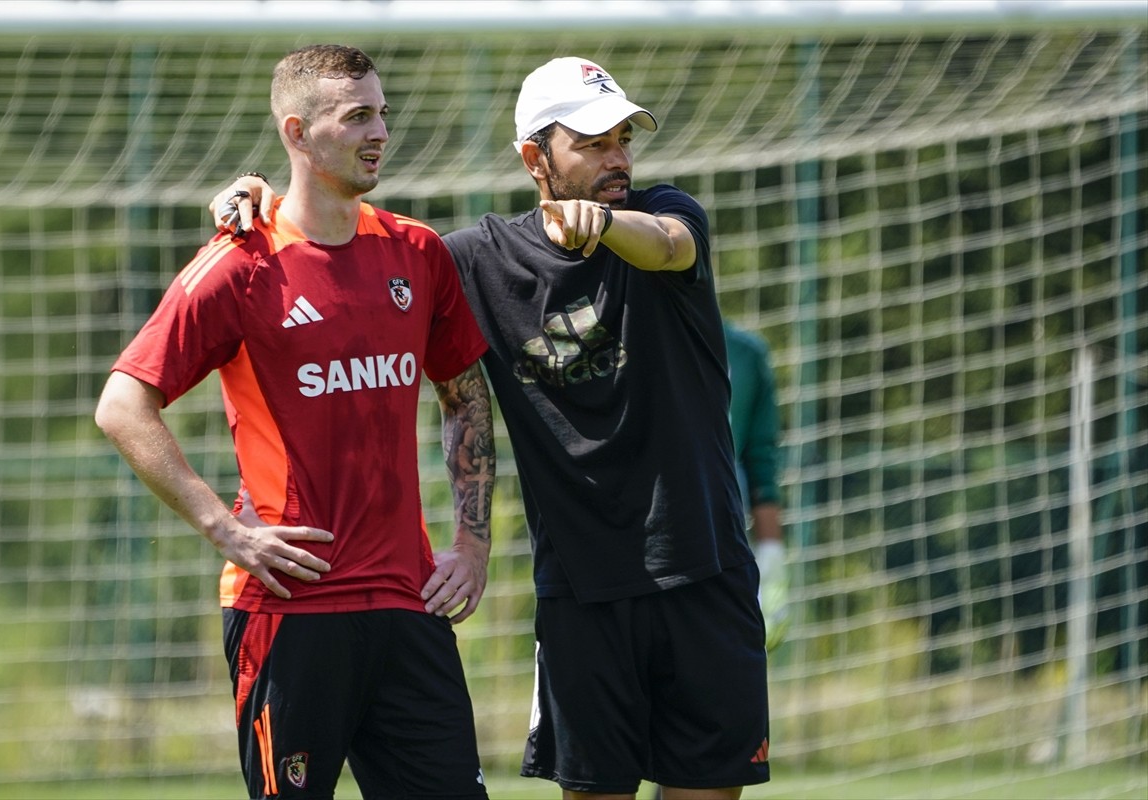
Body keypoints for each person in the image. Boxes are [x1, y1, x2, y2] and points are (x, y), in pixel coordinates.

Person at [213, 56, 769, 799]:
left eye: (625, 139)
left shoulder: (666, 214)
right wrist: (262, 198)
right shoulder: (470, 262)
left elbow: (669, 244)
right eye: (595, 142)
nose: (619, 158)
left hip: (705, 572)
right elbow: (355, 251)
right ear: (535, 158)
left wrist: (602, 223)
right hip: (582, 594)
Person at [98, 45, 494, 799]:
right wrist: (227, 530)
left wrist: (471, 545)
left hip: (407, 606)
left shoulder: (418, 252)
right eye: (356, 117)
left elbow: (464, 395)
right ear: (297, 133)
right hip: (288, 606)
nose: (380, 131)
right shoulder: (239, 264)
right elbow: (122, 403)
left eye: (382, 112)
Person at [723, 323, 790, 653]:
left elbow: (759, 456)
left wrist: (771, 554)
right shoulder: (612, 339)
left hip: (718, 546)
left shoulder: (744, 353)